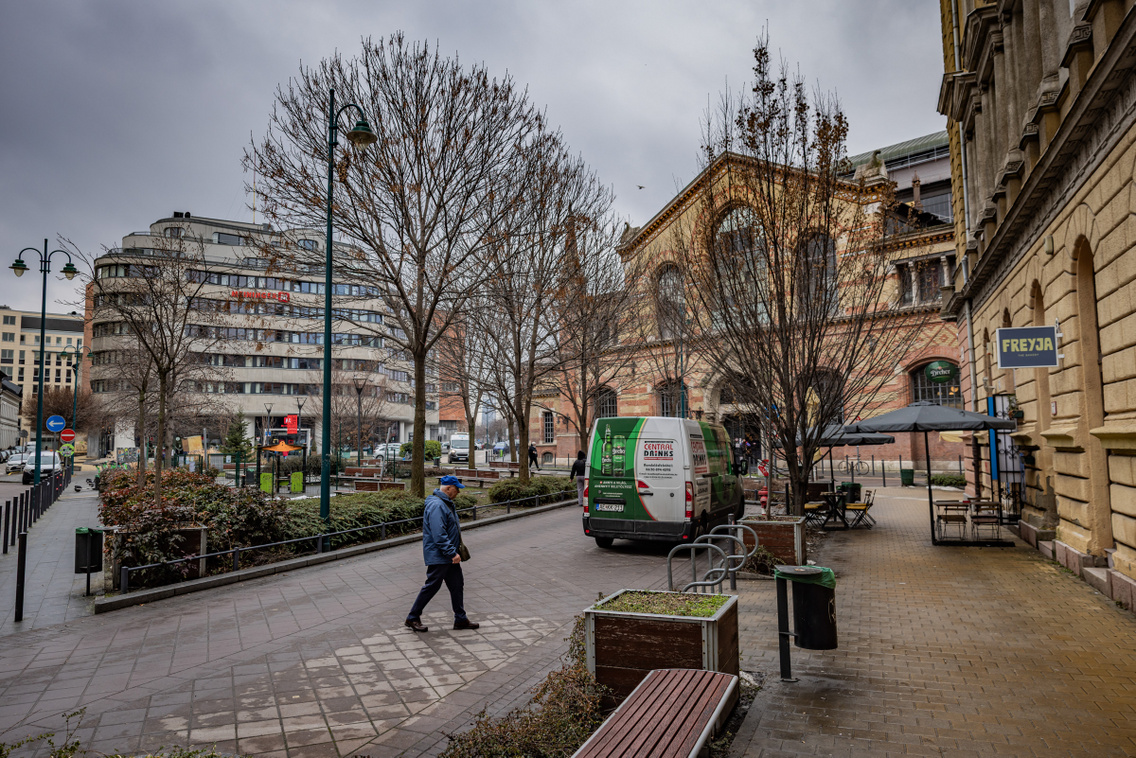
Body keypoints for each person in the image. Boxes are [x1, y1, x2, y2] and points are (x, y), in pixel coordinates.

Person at [405, 475, 479, 632]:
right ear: (448, 488)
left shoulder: (445, 504)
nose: (458, 492)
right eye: (456, 489)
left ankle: (460, 619)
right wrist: (452, 553)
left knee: (457, 584)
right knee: (432, 586)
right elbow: (439, 534)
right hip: (440, 555)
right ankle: (412, 617)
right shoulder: (438, 506)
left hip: (445, 555)